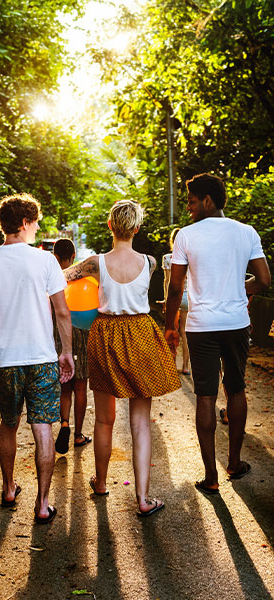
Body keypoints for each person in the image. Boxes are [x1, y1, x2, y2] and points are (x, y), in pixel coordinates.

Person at [64, 199, 180, 516]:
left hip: (104, 334)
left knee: (104, 419)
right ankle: (142, 499)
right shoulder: (151, 262)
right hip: (142, 332)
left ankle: (100, 483)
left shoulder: (95, 264)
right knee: (141, 422)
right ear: (138, 228)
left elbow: (61, 278)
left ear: (110, 225)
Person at [0, 193, 75, 525]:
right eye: (36, 222)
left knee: (9, 423)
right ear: (25, 223)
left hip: (3, 360)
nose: (37, 227)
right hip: (41, 359)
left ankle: (9, 488)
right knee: (43, 428)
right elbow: (62, 312)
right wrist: (66, 352)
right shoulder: (45, 262)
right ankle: (42, 505)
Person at [165, 173, 271, 495]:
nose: (188, 207)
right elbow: (265, 280)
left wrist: (170, 325)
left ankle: (210, 477)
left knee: (206, 397)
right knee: (236, 390)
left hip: (201, 327)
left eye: (192, 201)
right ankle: (234, 463)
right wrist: (242, 288)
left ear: (208, 200)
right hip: (236, 323)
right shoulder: (246, 232)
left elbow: (175, 286)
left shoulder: (186, 236)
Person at [52, 238, 92, 453]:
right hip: (82, 335)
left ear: (55, 256)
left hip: (61, 337)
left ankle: (65, 423)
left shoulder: (52, 278)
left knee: (65, 386)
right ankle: (78, 435)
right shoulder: (80, 277)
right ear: (73, 256)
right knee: (81, 385)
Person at [162, 228, 190, 374]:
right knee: (185, 332)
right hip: (188, 297)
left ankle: (171, 364)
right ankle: (186, 367)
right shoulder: (191, 256)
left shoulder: (168, 258)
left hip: (174, 298)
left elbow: (168, 281)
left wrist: (166, 301)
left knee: (172, 330)